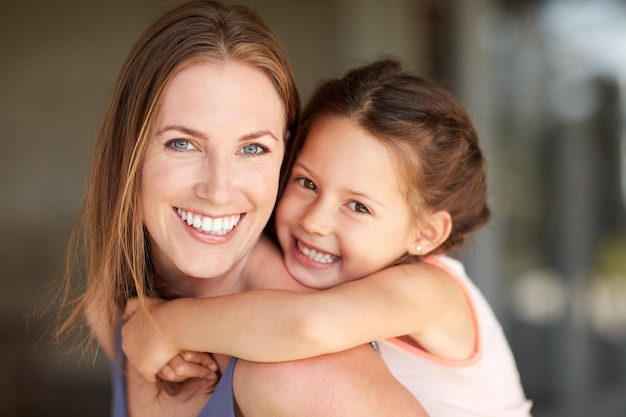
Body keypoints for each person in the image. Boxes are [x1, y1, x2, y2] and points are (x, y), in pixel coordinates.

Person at [55, 2, 429, 417]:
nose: (218, 190)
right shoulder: (115, 307)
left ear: (285, 155)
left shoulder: (297, 376)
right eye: (182, 143)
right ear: (129, 150)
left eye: (253, 148)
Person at [122, 59, 533, 416]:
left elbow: (307, 327)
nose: (315, 221)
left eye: (358, 207)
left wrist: (162, 327)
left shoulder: (429, 290)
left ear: (425, 233)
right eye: (306, 183)